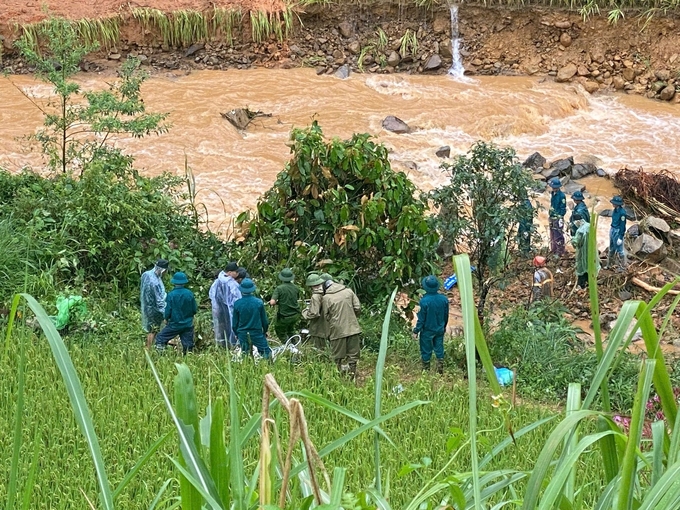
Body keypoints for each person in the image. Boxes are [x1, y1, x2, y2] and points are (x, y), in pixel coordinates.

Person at [322, 277, 362, 380]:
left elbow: (325, 315)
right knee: (353, 355)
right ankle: (352, 376)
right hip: (353, 328)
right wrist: (351, 317)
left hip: (337, 330)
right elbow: (357, 307)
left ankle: (337, 378)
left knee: (337, 356)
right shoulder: (349, 291)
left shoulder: (326, 298)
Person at [413, 276, 449, 374]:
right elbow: (446, 316)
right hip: (439, 329)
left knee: (426, 350)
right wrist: (444, 326)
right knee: (439, 348)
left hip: (427, 331)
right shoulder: (444, 299)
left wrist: (416, 331)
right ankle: (440, 370)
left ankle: (426, 371)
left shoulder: (424, 301)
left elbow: (421, 320)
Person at [155, 272, 198, 355]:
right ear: (185, 282)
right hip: (187, 324)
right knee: (188, 344)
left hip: (175, 324)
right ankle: (189, 358)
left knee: (160, 338)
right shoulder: (189, 294)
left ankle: (161, 356)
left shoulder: (171, 295)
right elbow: (194, 309)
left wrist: (166, 318)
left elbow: (168, 310)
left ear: (174, 283)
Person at [232, 278, 271, 359]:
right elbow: (265, 321)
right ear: (252, 290)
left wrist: (237, 334)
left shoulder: (237, 304)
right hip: (256, 332)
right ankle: (270, 369)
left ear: (241, 290)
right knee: (266, 353)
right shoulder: (258, 302)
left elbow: (234, 323)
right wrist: (265, 331)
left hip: (242, 333)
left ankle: (247, 370)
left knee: (245, 354)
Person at [140, 259, 168, 349]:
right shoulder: (154, 282)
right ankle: (149, 349)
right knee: (153, 330)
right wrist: (165, 313)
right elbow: (159, 300)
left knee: (151, 329)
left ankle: (149, 348)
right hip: (154, 309)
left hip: (147, 306)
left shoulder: (147, 274)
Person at [269, 268, 301, 342]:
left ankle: (286, 345)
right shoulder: (296, 288)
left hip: (285, 316)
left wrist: (276, 302)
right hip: (295, 314)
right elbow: (295, 298)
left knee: (279, 330)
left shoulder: (279, 288)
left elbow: (272, 302)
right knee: (291, 330)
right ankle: (294, 344)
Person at [209, 265, 236, 348]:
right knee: (229, 327)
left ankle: (224, 346)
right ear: (230, 272)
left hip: (219, 310)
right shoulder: (230, 282)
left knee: (223, 328)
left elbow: (212, 296)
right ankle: (232, 345)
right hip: (227, 309)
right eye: (235, 272)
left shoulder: (217, 282)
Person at [571, 213, 600, 289]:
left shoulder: (580, 231)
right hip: (592, 251)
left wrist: (572, 239)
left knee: (582, 268)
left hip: (583, 253)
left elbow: (577, 242)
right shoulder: (589, 226)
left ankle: (581, 285)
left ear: (577, 221)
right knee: (591, 267)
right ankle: (591, 284)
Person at [301, 273, 329, 350]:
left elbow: (314, 313)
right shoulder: (328, 292)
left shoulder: (316, 296)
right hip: (329, 325)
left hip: (318, 327)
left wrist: (305, 312)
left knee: (319, 349)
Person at [608, 195, 629, 270]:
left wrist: (620, 236)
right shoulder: (615, 210)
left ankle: (623, 266)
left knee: (620, 250)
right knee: (611, 248)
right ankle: (609, 264)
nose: (612, 204)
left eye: (614, 203)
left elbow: (623, 225)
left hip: (617, 231)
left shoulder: (622, 213)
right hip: (612, 229)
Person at [548, 179, 567, 257]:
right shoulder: (552, 193)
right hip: (552, 216)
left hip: (558, 218)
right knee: (552, 234)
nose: (554, 189)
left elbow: (563, 208)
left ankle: (560, 251)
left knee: (558, 234)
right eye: (553, 187)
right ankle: (553, 249)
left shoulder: (562, 196)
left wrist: (560, 217)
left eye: (555, 187)